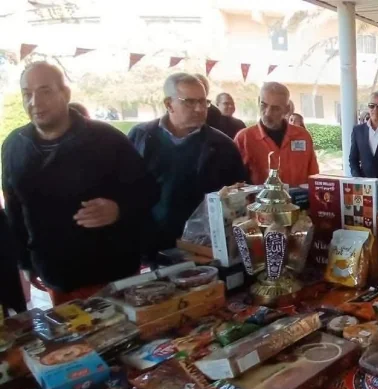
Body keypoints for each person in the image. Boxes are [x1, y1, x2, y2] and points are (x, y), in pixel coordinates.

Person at [2, 62, 157, 303]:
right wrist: (25, 261)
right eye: (27, 94)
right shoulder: (14, 145)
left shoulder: (106, 139)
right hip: (55, 274)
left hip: (113, 273)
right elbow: (14, 209)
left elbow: (148, 190)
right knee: (70, 329)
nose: (35, 102)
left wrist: (119, 209)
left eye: (45, 91)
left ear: (65, 93)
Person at [128, 72, 247, 255]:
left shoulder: (223, 146)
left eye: (203, 102)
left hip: (205, 249)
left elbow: (239, 198)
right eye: (190, 102)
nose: (199, 109)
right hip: (149, 245)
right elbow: (126, 190)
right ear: (169, 104)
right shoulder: (141, 137)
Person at [234, 82, 318, 186]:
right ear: (258, 102)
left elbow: (314, 178)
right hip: (260, 197)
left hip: (298, 197)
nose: (267, 113)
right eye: (263, 105)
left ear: (287, 109)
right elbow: (235, 183)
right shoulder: (244, 138)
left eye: (275, 108)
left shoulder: (302, 136)